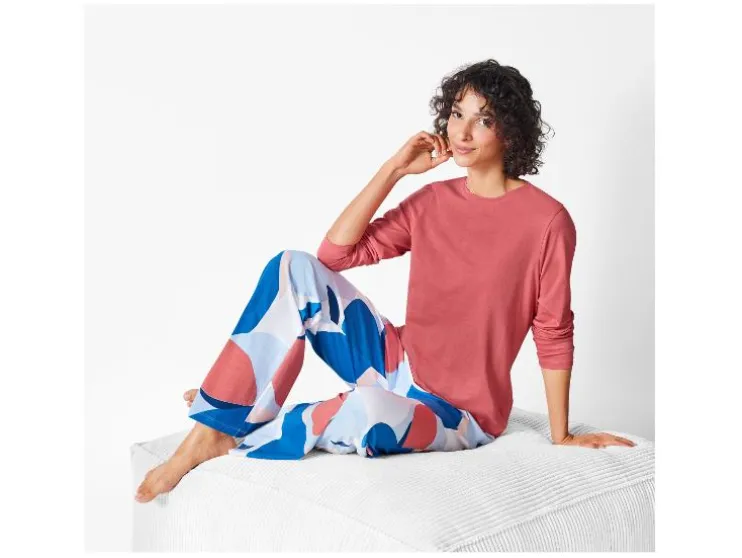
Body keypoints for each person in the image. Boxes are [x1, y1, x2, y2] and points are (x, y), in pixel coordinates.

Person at [135, 59, 635, 504]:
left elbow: (552, 328)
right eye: (456, 114)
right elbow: (334, 255)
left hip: (461, 414)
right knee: (293, 266)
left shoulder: (547, 221)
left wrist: (562, 435)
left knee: (369, 412)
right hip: (395, 361)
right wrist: (394, 170)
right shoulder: (432, 202)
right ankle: (215, 429)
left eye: (483, 120)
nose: (463, 132)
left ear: (511, 130)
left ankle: (236, 419)